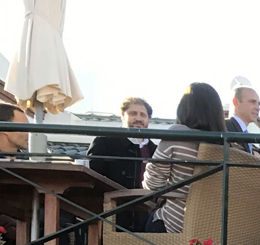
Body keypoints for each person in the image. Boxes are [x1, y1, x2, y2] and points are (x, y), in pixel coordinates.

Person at [142, 82, 225, 233]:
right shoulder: (229, 147)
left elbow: (152, 184)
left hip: (175, 224)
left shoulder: (177, 136)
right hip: (213, 231)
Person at [87, 97, 156, 231]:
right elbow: (94, 179)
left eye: (143, 115)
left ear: (148, 119)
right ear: (123, 116)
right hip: (111, 215)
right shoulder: (104, 142)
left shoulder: (156, 151)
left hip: (146, 217)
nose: (138, 118)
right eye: (133, 113)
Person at [224, 85, 260, 157]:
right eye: (252, 102)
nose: (258, 108)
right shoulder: (225, 128)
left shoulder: (245, 134)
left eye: (258, 104)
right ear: (236, 102)